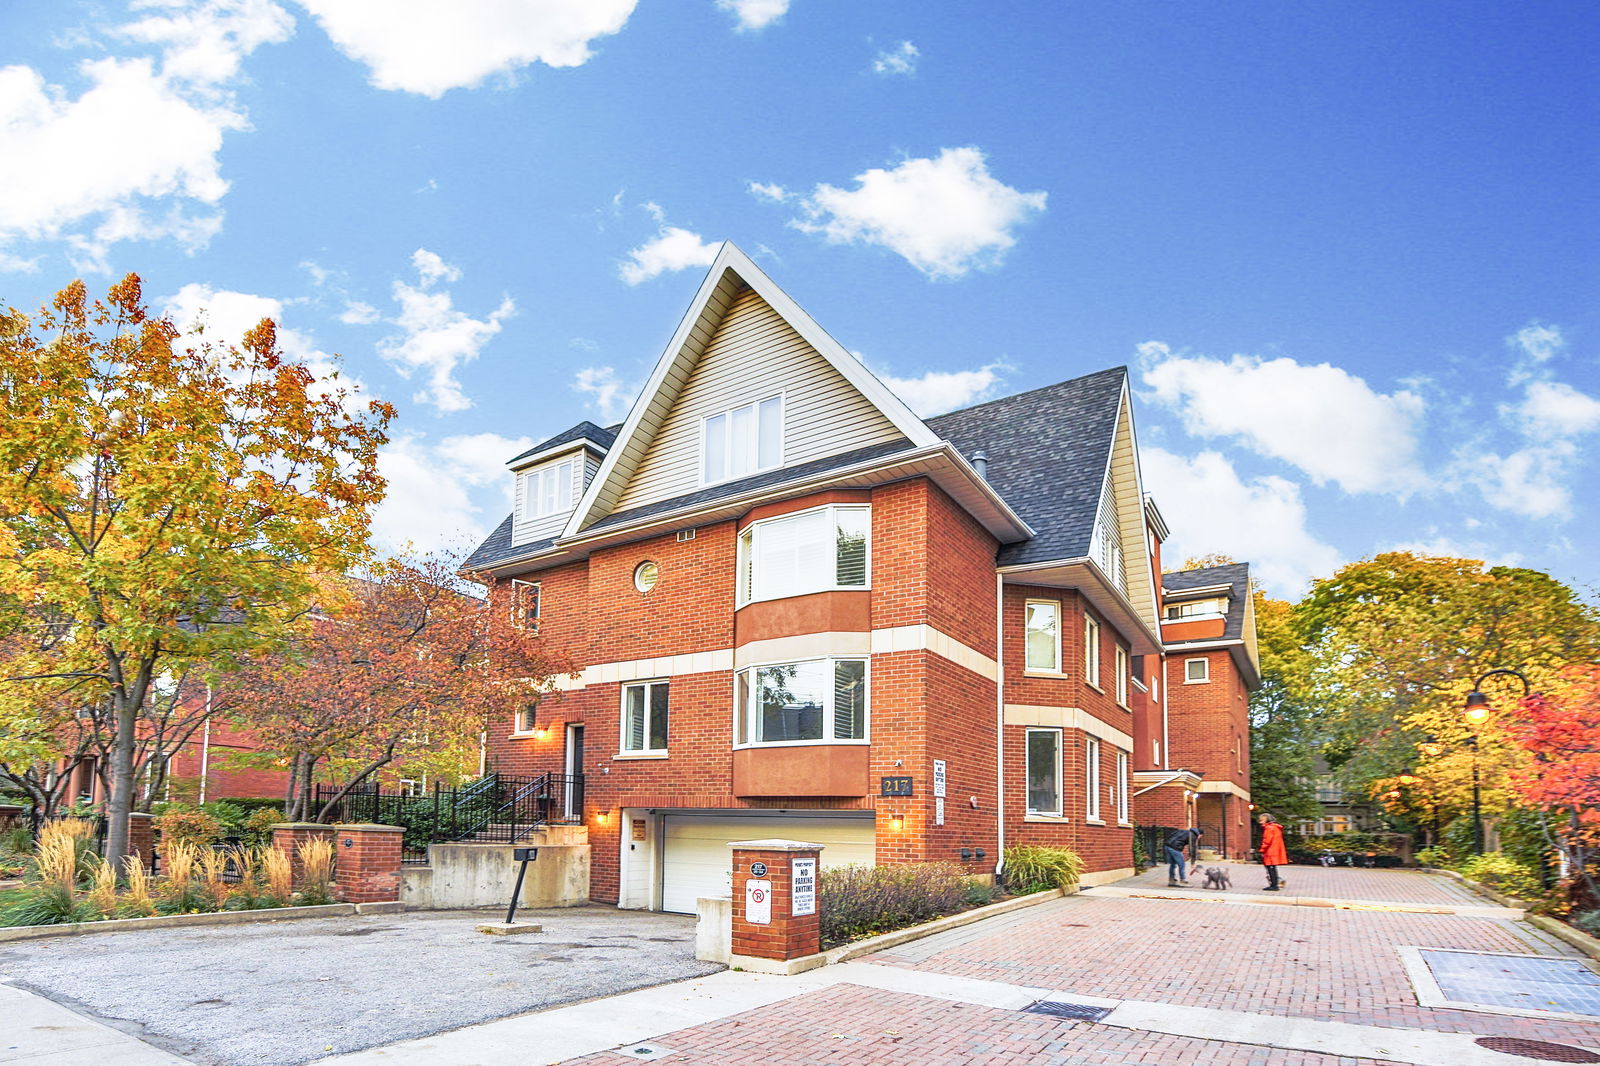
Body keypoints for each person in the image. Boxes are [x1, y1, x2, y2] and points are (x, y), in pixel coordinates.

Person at [1258, 812, 1288, 891]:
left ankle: (1274, 885)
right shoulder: (1275, 827)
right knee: (1272, 868)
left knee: (1270, 868)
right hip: (1275, 850)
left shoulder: (1269, 828)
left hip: (1270, 851)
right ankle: (1275, 883)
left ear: (1266, 820)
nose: (1260, 822)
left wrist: (1262, 849)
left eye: (1262, 820)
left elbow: (1267, 841)